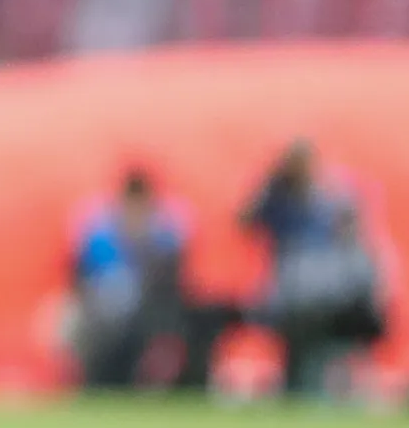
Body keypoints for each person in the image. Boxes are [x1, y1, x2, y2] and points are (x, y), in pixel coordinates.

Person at [242, 140, 387, 399]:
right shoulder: (278, 201)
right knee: (297, 331)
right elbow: (245, 221)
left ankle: (320, 384)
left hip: (330, 297)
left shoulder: (332, 200)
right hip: (294, 295)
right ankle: (297, 384)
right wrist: (268, 185)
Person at [70, 167, 227, 391]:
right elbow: (83, 273)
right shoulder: (101, 230)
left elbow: (173, 274)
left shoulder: (165, 229)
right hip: (105, 308)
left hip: (152, 304)